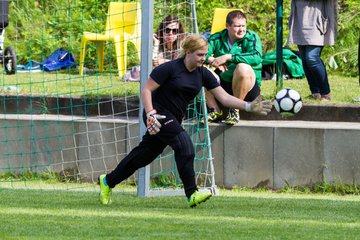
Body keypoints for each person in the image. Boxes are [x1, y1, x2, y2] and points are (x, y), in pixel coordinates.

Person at [99, 34, 272, 207]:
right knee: (185, 147)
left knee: (143, 156)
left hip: (173, 118)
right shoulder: (170, 68)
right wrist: (150, 113)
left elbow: (224, 97)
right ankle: (192, 193)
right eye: (199, 55)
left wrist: (249, 106)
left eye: (205, 55)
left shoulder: (203, 73)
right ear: (188, 52)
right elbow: (146, 90)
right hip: (157, 114)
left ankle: (108, 181)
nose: (203, 59)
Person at [204, 10, 263, 125]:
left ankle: (234, 110)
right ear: (227, 26)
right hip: (223, 87)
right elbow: (199, 53)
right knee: (201, 70)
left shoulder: (251, 37)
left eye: (243, 26)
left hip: (248, 89)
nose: (241, 29)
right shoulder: (217, 38)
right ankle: (214, 110)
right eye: (237, 26)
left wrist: (228, 57)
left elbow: (257, 57)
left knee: (242, 68)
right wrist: (214, 60)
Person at [288, 0, 338, 101]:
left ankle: (325, 93)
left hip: (317, 16)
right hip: (301, 16)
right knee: (305, 60)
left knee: (311, 58)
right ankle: (315, 92)